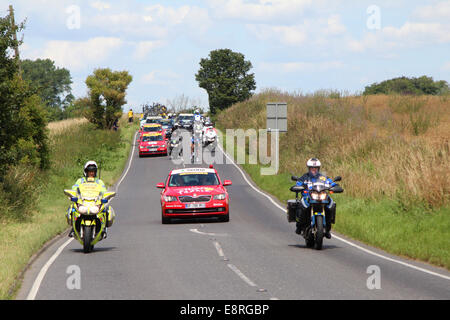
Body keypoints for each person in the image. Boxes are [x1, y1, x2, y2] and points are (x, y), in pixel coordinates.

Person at [66, 161, 113, 238]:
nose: (91, 173)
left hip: (94, 202)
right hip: (83, 202)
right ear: (85, 172)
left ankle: (103, 229)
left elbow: (104, 191)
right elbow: (74, 189)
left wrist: (105, 196)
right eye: (90, 171)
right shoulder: (80, 181)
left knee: (106, 210)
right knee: (71, 209)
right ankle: (73, 228)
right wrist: (73, 195)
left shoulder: (99, 182)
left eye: (93, 171)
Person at [294, 158, 337, 239]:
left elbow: (331, 182)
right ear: (309, 168)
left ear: (318, 168)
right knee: (301, 204)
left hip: (321, 197)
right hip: (308, 197)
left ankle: (327, 229)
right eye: (312, 168)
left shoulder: (323, 178)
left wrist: (335, 186)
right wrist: (297, 186)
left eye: (315, 168)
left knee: (331, 204)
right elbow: (298, 183)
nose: (314, 170)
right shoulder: (304, 177)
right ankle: (299, 226)